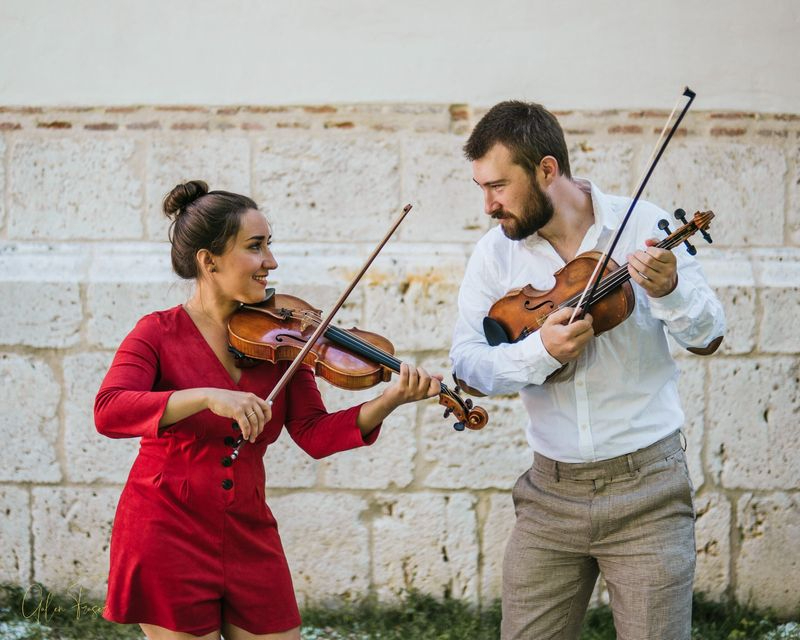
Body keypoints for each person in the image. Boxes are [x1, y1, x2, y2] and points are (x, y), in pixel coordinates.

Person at [94, 180, 441, 640]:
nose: (271, 262)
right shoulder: (157, 332)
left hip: (248, 529)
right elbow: (110, 409)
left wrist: (388, 400)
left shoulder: (280, 339)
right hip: (165, 528)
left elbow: (313, 433)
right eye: (255, 247)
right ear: (209, 261)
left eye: (269, 245)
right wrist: (206, 396)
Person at [450, 101, 725, 640]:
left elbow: (709, 336)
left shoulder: (641, 225)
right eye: (481, 187)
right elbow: (469, 365)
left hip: (648, 491)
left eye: (498, 186)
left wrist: (670, 290)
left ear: (546, 170)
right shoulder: (494, 254)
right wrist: (541, 352)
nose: (488, 205)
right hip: (549, 494)